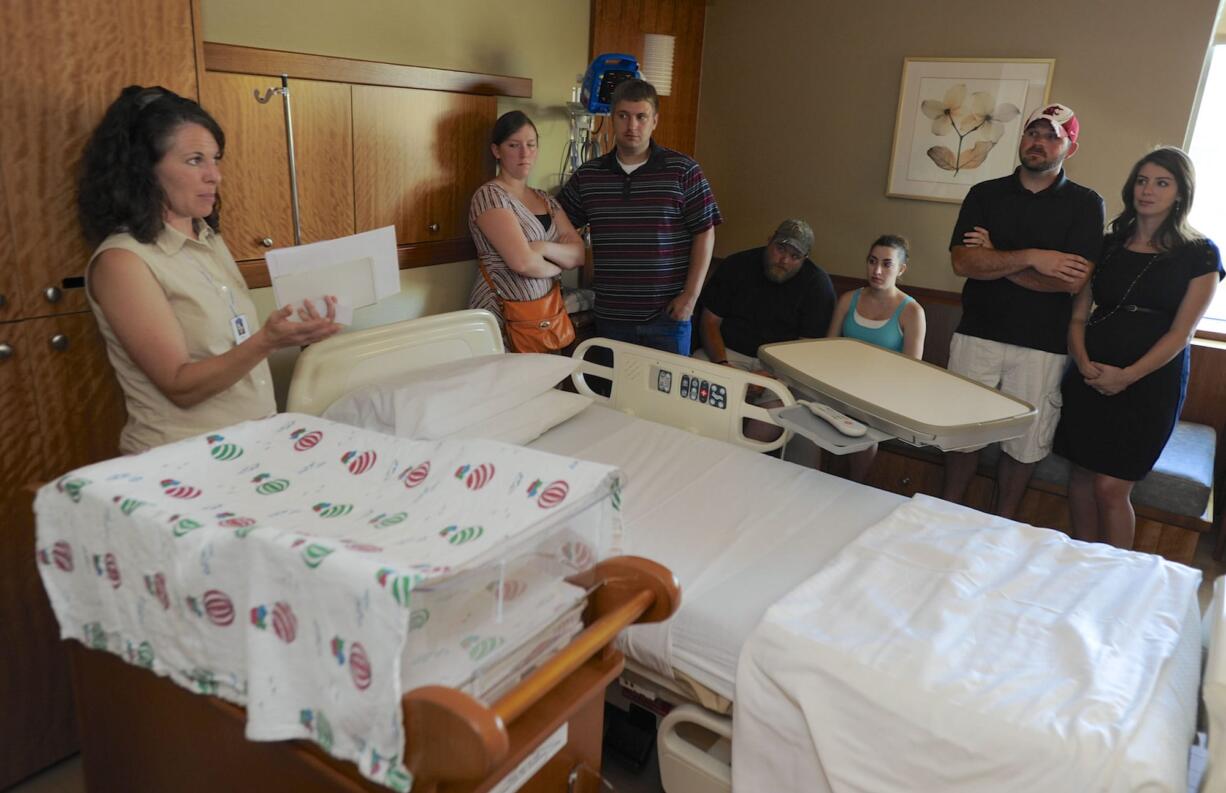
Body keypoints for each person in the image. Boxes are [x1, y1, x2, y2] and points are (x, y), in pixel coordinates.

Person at [78, 85, 340, 455]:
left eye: (215, 159)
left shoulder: (208, 238)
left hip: (249, 446)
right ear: (144, 171)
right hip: (184, 459)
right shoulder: (123, 262)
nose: (214, 175)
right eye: (194, 160)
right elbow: (179, 385)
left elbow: (230, 346)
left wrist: (295, 332)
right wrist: (268, 341)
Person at [942, 103, 1105, 519]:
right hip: (977, 334)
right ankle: (945, 515)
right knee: (962, 435)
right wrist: (1034, 257)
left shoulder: (1086, 204)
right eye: (1033, 132)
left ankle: (1000, 525)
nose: (1040, 142)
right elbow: (963, 263)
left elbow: (1072, 280)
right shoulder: (985, 194)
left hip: (1044, 346)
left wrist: (996, 260)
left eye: (1053, 136)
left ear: (1071, 148)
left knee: (1024, 445)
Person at [1054, 147, 1223, 550]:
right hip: (1089, 373)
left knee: (1112, 487)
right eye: (1142, 181)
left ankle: (1115, 579)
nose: (1148, 190)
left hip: (1150, 385)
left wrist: (1127, 376)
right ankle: (1081, 564)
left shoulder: (1200, 253)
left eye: (1162, 183)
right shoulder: (1108, 244)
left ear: (1180, 193)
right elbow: (1078, 315)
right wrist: (1083, 362)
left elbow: (1181, 334)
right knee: (1079, 474)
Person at [559, 79, 721, 354]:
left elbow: (705, 231)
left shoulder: (683, 170)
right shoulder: (589, 176)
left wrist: (691, 296)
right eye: (623, 116)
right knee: (613, 396)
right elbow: (559, 225)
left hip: (668, 317)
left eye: (641, 117)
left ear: (654, 121)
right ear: (612, 118)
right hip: (612, 318)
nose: (631, 126)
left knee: (665, 398)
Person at [468, 111, 585, 342]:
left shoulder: (546, 200)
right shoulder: (490, 196)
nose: (525, 153)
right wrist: (558, 265)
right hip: (500, 316)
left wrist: (543, 248)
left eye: (531, 145)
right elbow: (522, 262)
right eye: (514, 145)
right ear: (496, 151)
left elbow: (579, 255)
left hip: (543, 317)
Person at [827, 234, 926, 481]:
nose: (877, 270)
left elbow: (911, 371)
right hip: (842, 384)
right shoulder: (849, 300)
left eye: (887, 264)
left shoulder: (912, 311)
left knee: (863, 423)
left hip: (882, 394)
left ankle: (855, 484)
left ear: (901, 269)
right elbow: (826, 350)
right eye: (872, 261)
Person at [697, 218, 836, 369]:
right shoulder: (737, 264)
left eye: (795, 256)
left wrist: (775, 376)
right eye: (781, 249)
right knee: (695, 369)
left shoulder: (817, 284)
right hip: (727, 352)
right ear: (769, 241)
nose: (784, 260)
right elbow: (710, 321)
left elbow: (806, 347)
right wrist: (723, 364)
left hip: (781, 364)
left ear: (805, 258)